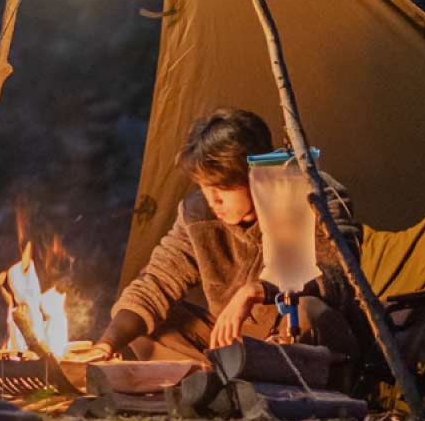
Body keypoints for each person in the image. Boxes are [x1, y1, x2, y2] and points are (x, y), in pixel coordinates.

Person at [88, 107, 360, 369]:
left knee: (309, 311)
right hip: (231, 341)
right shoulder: (198, 215)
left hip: (292, 336)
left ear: (253, 176)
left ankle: (251, 377)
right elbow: (156, 282)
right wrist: (107, 343)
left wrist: (257, 291)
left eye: (223, 187)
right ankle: (214, 379)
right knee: (148, 325)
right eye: (206, 187)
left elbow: (339, 276)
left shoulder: (311, 194)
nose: (213, 199)